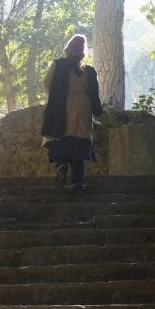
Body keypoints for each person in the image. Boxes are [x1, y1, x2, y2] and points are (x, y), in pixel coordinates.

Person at [41, 34, 104, 192]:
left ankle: (61, 164)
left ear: (68, 48)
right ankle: (78, 183)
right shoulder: (89, 71)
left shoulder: (59, 64)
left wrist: (54, 98)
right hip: (84, 107)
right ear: (83, 52)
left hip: (64, 106)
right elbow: (95, 92)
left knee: (59, 136)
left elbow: (46, 84)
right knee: (79, 143)